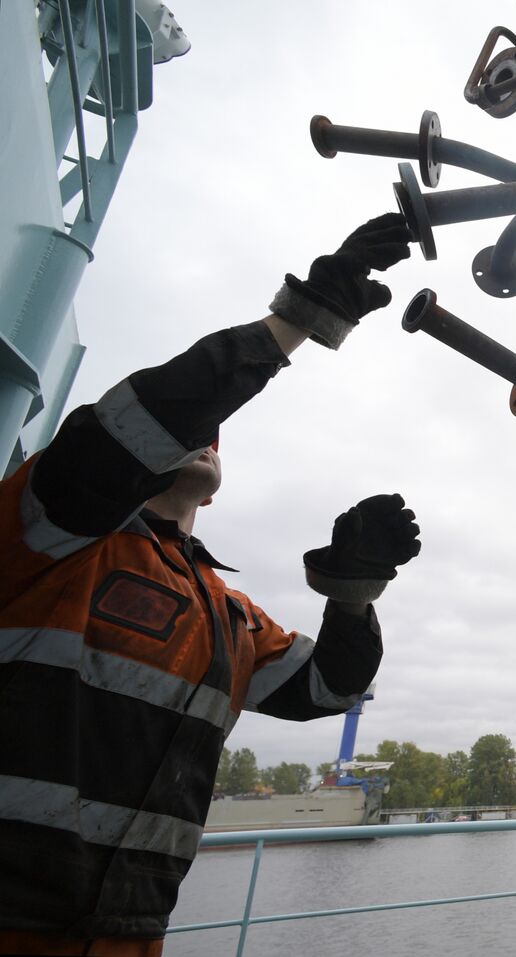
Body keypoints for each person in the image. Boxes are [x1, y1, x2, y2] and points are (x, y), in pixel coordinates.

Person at [0, 214, 421, 955]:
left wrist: (352, 590)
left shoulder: (228, 617)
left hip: (129, 935)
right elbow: (137, 425)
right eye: (190, 428)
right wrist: (303, 317)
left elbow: (329, 688)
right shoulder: (47, 535)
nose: (201, 435)